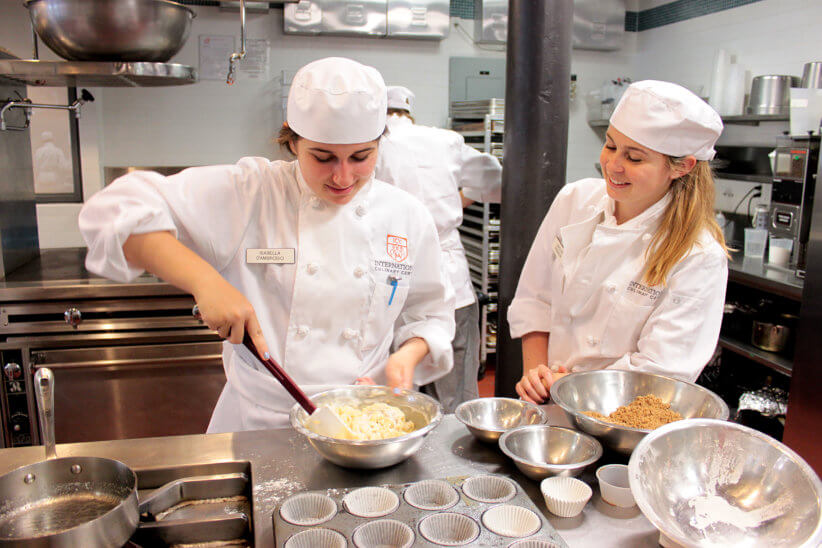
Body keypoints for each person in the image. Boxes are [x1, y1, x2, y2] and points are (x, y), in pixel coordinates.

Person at [79, 57, 455, 432]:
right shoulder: (252, 192)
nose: (343, 176)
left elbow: (430, 314)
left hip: (365, 425)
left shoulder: (406, 216)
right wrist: (205, 282)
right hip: (261, 426)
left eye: (361, 157)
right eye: (323, 157)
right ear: (292, 141)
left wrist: (406, 357)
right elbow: (116, 209)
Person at [508, 80, 728, 404]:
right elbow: (535, 298)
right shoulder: (575, 199)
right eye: (610, 146)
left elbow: (660, 372)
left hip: (619, 421)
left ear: (681, 166)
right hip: (546, 402)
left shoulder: (698, 255)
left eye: (635, 157)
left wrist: (564, 386)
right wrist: (536, 378)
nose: (613, 165)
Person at [374, 85, 502, 413]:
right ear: (408, 112)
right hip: (452, 279)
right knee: (457, 394)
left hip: (390, 276)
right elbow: (497, 182)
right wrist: (456, 201)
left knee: (400, 388)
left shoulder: (375, 145)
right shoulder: (444, 140)